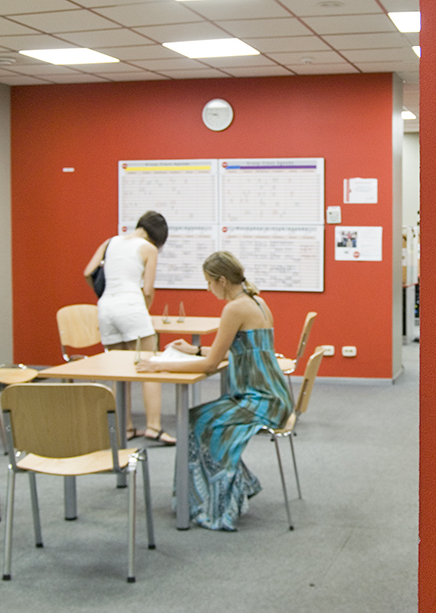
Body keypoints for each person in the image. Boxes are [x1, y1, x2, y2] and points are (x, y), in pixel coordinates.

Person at [136, 251, 293, 531]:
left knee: (195, 423)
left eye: (209, 282)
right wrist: (195, 349)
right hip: (273, 394)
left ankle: (219, 503)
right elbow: (237, 349)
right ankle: (228, 489)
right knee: (195, 420)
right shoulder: (256, 301)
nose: (208, 289)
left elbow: (211, 365)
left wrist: (160, 366)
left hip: (260, 399)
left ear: (222, 280)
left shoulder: (235, 308)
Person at [83, 210, 175, 445]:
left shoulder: (110, 242)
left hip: (106, 308)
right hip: (132, 306)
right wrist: (143, 311)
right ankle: (153, 427)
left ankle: (125, 427)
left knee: (118, 371)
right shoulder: (148, 248)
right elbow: (148, 290)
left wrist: (106, 295)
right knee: (150, 367)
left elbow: (87, 272)